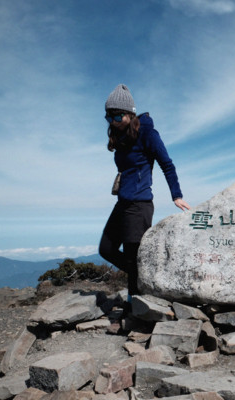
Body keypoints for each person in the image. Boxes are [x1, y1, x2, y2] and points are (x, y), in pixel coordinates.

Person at [99, 84, 190, 300]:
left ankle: (134, 308)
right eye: (109, 118)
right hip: (123, 203)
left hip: (139, 205)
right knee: (106, 249)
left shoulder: (147, 133)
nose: (114, 122)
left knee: (132, 258)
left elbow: (166, 164)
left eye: (118, 117)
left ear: (129, 113)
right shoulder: (120, 136)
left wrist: (176, 195)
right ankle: (147, 276)